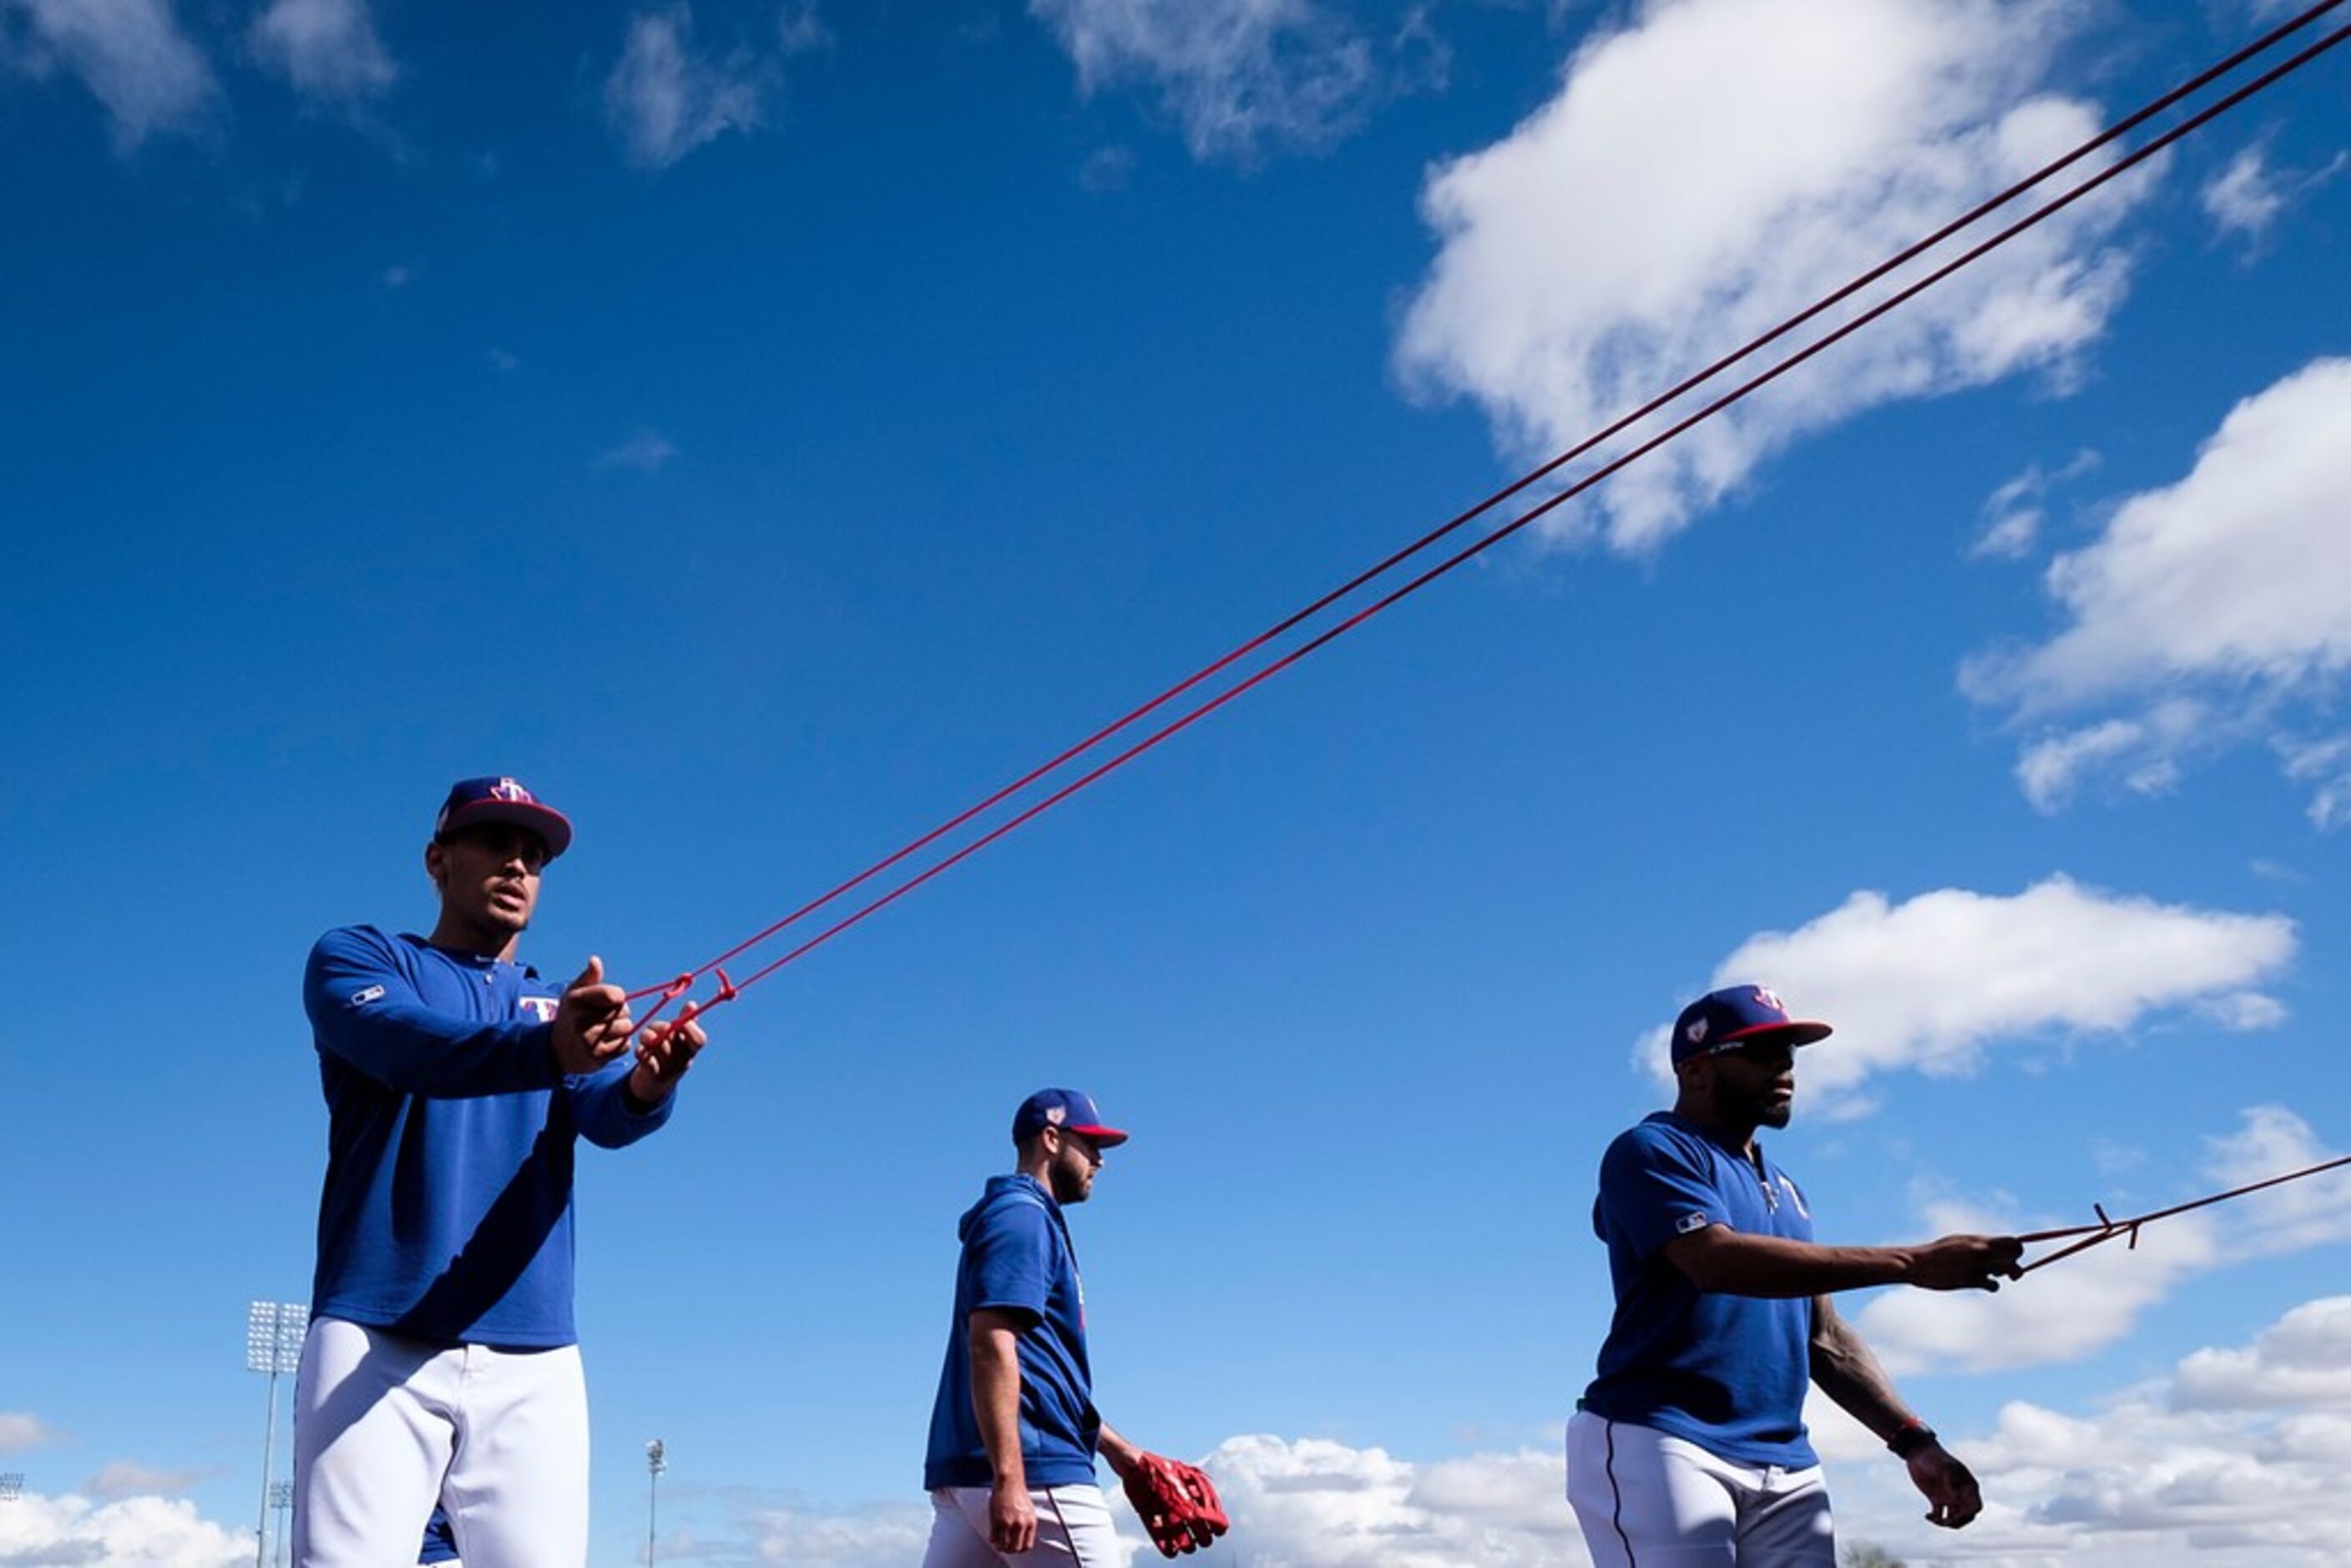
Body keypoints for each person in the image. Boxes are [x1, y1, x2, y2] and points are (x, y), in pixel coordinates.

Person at [291, 776, 707, 1566]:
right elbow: (402, 1044)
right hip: (379, 1329)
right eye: (495, 842)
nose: (518, 866)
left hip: (534, 1347)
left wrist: (654, 1080)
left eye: (535, 855)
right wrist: (546, 1051)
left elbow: (607, 1116)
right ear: (436, 859)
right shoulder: (363, 956)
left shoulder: (558, 1007)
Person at [1566, 984, 2025, 1566]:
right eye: (1760, 1052)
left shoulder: (1787, 1190)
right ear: (1696, 1070)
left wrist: (1915, 1442)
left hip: (1785, 1461)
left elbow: (1824, 1339)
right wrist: (1913, 1263)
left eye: (1789, 1053)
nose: (1784, 1067)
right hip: (1660, 1436)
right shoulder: (1652, 1149)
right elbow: (1713, 1260)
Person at [922, 1088, 1228, 1565]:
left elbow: (1043, 1376)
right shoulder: (1022, 1219)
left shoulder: (1021, 1217)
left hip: (968, 1473)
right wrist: (1011, 1478)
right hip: (1037, 1475)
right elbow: (991, 1344)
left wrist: (1121, 1453)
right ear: (1050, 1138)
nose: (1099, 1161)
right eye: (1090, 1145)